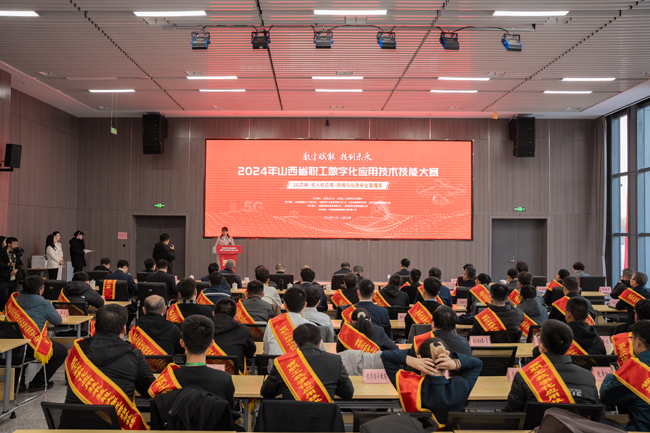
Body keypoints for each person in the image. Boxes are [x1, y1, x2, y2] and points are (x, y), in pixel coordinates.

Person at [65, 304, 155, 412]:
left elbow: (69, 380)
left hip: (71, 421)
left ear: (95, 325)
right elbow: (149, 390)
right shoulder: (134, 356)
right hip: (116, 421)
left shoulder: (77, 351)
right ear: (124, 329)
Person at [148, 315, 238, 413]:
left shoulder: (168, 379)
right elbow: (228, 413)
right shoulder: (224, 380)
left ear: (182, 343)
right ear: (211, 344)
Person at [504, 319, 599, 411]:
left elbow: (513, 414)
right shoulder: (588, 377)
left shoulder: (525, 377)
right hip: (578, 423)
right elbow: (596, 414)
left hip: (538, 422)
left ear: (541, 347)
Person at [381, 337, 482, 423]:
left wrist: (411, 360)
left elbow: (385, 356)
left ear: (420, 357)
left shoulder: (407, 384)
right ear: (447, 358)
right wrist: (455, 363)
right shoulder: (460, 385)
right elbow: (477, 363)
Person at [261, 323, 354, 401]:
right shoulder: (335, 360)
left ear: (295, 344)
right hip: (324, 417)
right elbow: (348, 393)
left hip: (291, 416)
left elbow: (266, 393)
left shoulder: (282, 362)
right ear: (320, 343)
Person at [5, 276, 66, 392]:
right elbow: (57, 321)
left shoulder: (13, 301)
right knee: (62, 352)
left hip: (12, 346)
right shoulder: (44, 303)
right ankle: (38, 382)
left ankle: (19, 384)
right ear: (40, 290)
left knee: (22, 343)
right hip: (32, 347)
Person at [601, 320, 650, 432]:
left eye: (632, 339)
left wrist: (611, 376)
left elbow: (607, 395)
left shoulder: (635, 368)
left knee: (601, 422)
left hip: (641, 430)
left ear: (638, 343)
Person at [263, 287, 317, 355]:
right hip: (301, 362)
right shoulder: (312, 327)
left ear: (285, 305)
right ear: (305, 305)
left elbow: (266, 350)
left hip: (276, 362)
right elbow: (319, 352)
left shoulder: (272, 323)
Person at [213, 298, 256, 371]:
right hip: (235, 373)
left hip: (206, 373)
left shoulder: (202, 329)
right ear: (235, 317)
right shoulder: (243, 330)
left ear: (213, 313)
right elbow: (250, 352)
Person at [0, 237, 23, 307]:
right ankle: (4, 309)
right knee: (3, 297)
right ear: (9, 244)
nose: (16, 245)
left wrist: (17, 270)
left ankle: (10, 310)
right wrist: (8, 264)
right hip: (4, 278)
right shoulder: (2, 253)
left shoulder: (16, 253)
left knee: (12, 297)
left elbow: (20, 264)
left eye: (17, 244)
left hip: (14, 279)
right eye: (14, 244)